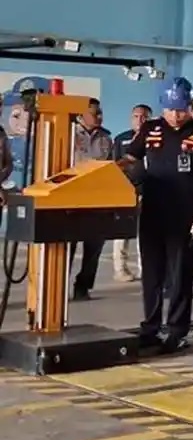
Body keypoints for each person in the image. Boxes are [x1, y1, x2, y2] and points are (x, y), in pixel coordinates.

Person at [117, 77, 193, 353]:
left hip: (185, 214)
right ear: (163, 108)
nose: (176, 115)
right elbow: (131, 159)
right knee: (152, 273)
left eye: (182, 109)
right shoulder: (150, 129)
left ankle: (177, 331)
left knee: (180, 274)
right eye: (171, 109)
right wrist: (108, 170)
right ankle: (150, 327)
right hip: (152, 210)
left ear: (191, 106)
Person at [70, 99, 114, 300]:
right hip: (71, 198)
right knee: (67, 245)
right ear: (81, 115)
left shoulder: (106, 138)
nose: (99, 116)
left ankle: (83, 286)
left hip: (98, 200)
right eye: (95, 113)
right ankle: (59, 285)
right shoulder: (69, 134)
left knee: (94, 246)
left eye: (101, 112)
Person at [110, 104, 151, 282]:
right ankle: (120, 269)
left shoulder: (155, 139)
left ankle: (146, 269)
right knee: (122, 232)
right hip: (126, 191)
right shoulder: (121, 139)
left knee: (147, 232)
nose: (140, 120)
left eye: (144, 117)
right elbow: (115, 165)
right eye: (136, 116)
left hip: (149, 190)